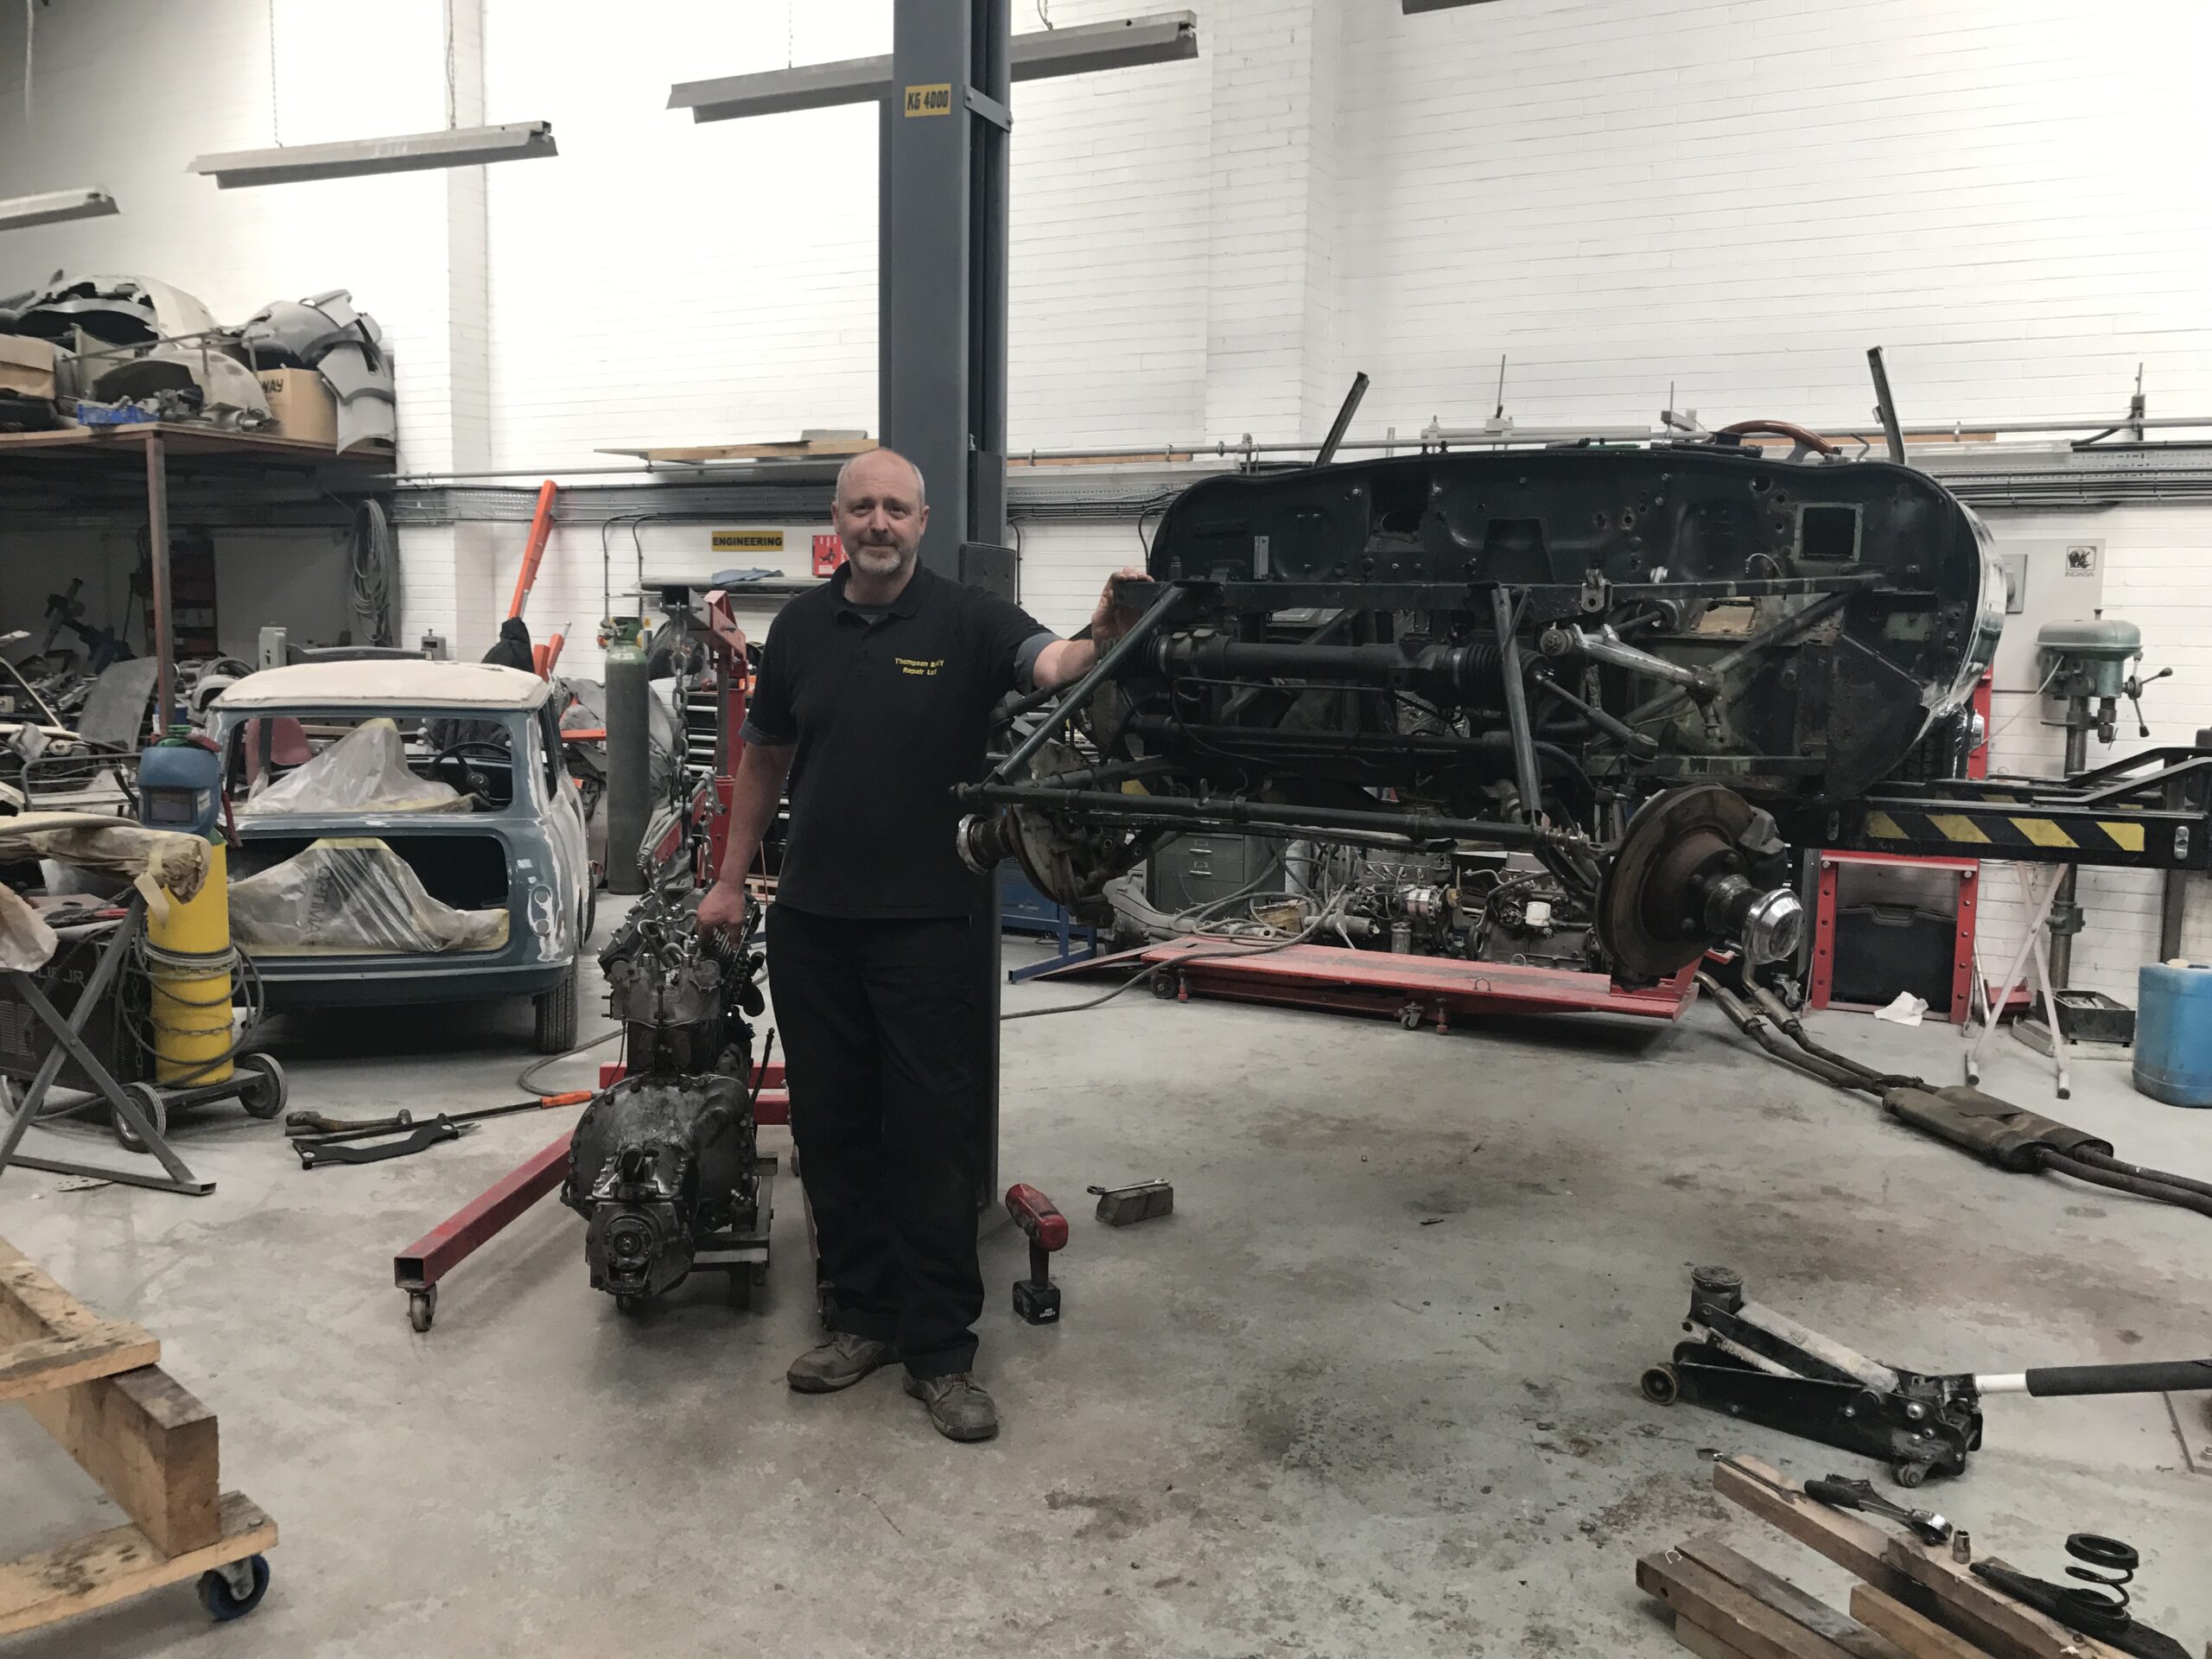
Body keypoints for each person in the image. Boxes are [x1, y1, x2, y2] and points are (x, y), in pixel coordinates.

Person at [696, 446, 1140, 1443]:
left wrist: (1102, 632)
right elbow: (763, 757)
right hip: (814, 924)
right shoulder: (800, 628)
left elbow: (1051, 664)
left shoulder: (968, 619)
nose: (879, 524)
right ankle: (861, 1319)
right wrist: (729, 879)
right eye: (862, 507)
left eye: (896, 508)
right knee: (833, 1132)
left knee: (932, 1141)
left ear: (922, 522)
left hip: (929, 926)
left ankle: (940, 1353)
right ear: (837, 521)